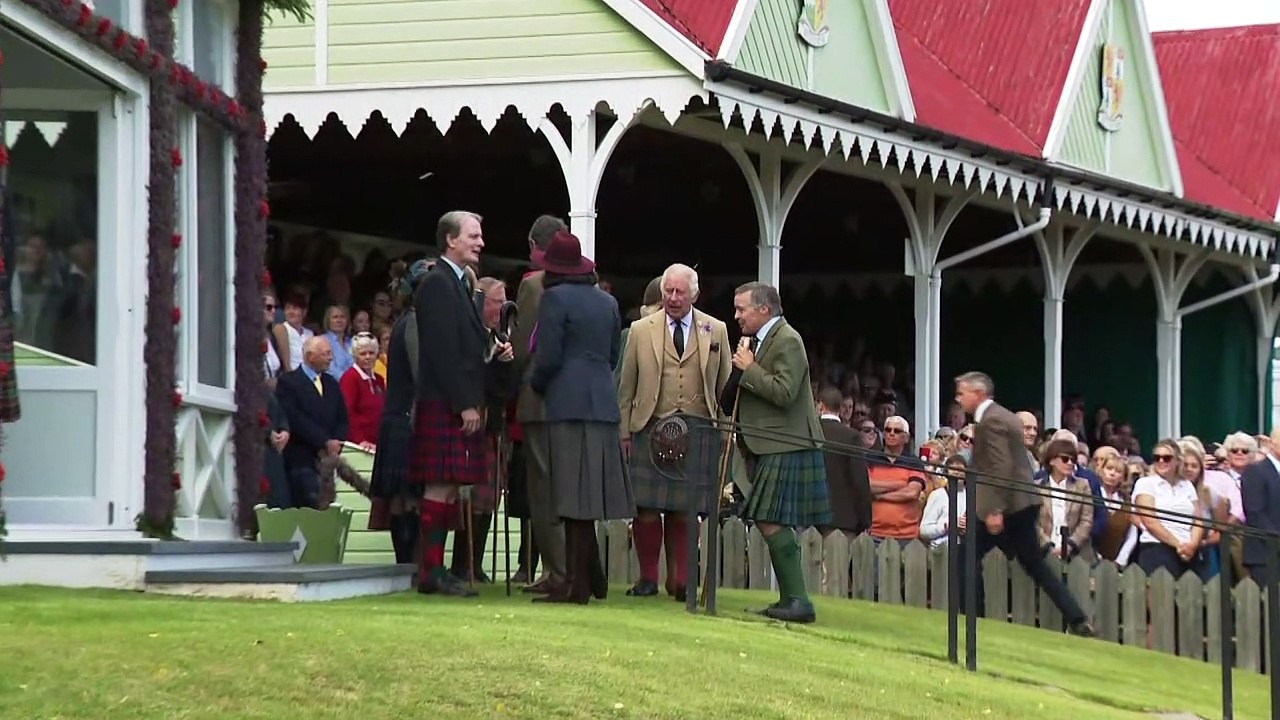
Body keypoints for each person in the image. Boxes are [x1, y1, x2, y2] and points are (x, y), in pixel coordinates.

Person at [529, 230, 635, 604]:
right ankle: (590, 579)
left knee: (570, 495)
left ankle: (575, 585)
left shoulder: (554, 299)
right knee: (588, 494)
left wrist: (537, 384)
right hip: (602, 401)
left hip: (567, 401)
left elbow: (548, 356)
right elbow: (611, 355)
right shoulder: (607, 301)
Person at [616, 263, 732, 601]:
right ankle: (648, 578)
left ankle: (680, 580)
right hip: (649, 424)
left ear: (695, 294)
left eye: (680, 292)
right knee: (646, 507)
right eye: (668, 291)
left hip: (699, 427)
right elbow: (627, 387)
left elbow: (725, 387)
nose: (673, 297)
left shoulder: (717, 329)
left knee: (685, 507)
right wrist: (624, 431)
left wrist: (725, 432)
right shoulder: (640, 329)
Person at [408, 211, 508, 597]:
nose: (480, 243)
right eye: (473, 236)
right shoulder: (437, 284)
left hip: (455, 401)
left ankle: (437, 572)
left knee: (449, 486)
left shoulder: (458, 284)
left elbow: (463, 345)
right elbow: (441, 350)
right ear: (450, 239)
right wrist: (465, 403)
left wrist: (491, 350)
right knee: (439, 485)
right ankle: (430, 572)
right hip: (444, 402)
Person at [952, 371, 1094, 637]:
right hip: (1022, 503)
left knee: (966, 555)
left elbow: (1000, 465)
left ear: (978, 393)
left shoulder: (991, 420)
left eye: (962, 393)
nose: (958, 399)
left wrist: (995, 510)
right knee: (1033, 564)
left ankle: (974, 620)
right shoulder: (1005, 415)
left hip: (1006, 504)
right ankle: (1076, 617)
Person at [720, 282, 830, 623]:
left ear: (764, 309)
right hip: (770, 443)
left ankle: (798, 601)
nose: (736, 316)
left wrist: (750, 368)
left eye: (742, 309)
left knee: (769, 519)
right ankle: (793, 599)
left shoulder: (787, 340)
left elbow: (785, 392)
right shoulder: (759, 340)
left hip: (788, 443)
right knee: (771, 519)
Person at [512, 214, 570, 594]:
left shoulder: (534, 286)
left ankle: (556, 572)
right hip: (576, 402)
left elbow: (521, 349)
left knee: (544, 489)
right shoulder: (590, 287)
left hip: (541, 397)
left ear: (535, 245)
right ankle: (580, 571)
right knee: (570, 489)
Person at [368, 259, 432, 566]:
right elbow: (422, 374)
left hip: (400, 417)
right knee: (406, 499)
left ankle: (407, 565)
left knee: (404, 499)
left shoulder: (407, 320)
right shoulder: (416, 322)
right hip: (407, 419)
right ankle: (407, 565)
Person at [274, 336, 349, 509]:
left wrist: (337, 442)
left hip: (329, 463)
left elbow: (342, 417)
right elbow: (295, 418)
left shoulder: (331, 383)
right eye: (326, 354)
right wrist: (324, 442)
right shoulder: (289, 382)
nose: (331, 358)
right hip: (302, 460)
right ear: (310, 357)